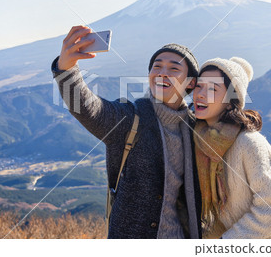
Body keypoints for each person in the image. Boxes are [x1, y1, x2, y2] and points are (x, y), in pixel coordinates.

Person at [51, 25, 202, 238]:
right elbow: (88, 108)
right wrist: (66, 69)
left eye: (174, 69)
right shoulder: (131, 119)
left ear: (191, 83)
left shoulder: (196, 127)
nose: (162, 73)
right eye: (156, 67)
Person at [192, 57, 271, 239]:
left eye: (212, 89)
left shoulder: (248, 142)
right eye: (198, 86)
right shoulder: (200, 141)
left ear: (231, 101)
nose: (200, 94)